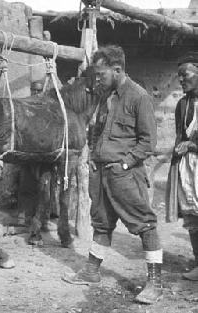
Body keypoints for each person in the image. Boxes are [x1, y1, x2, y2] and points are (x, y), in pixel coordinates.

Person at [62, 45, 161, 304]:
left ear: (117, 70)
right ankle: (91, 272)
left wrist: (126, 164)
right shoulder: (106, 97)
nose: (97, 80)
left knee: (144, 223)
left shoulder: (138, 97)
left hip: (125, 175)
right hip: (102, 172)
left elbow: (148, 142)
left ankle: (155, 283)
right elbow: (96, 131)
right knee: (102, 223)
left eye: (101, 74)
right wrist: (94, 157)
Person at [167, 52, 198, 281]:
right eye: (179, 76)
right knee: (192, 215)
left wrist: (192, 144)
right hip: (189, 166)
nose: (180, 80)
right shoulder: (182, 104)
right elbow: (180, 135)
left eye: (184, 74)